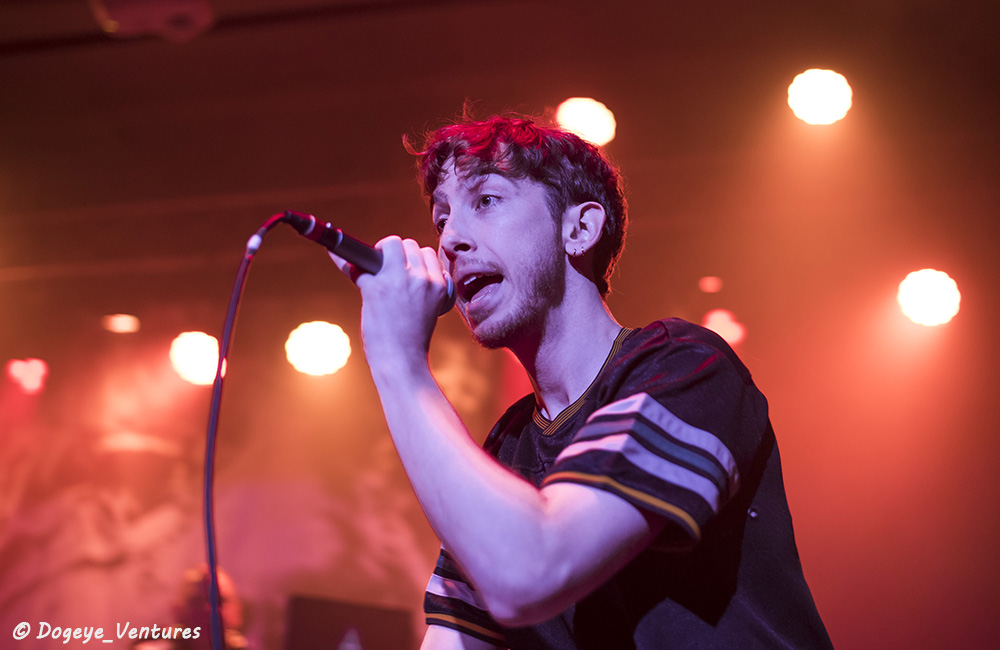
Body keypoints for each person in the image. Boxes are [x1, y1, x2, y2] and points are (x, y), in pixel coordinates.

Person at [330, 115, 833, 649]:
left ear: (579, 229)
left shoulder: (684, 367)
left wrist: (400, 360)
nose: (450, 240)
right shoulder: (509, 447)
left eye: (486, 201)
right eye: (442, 219)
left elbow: (532, 571)